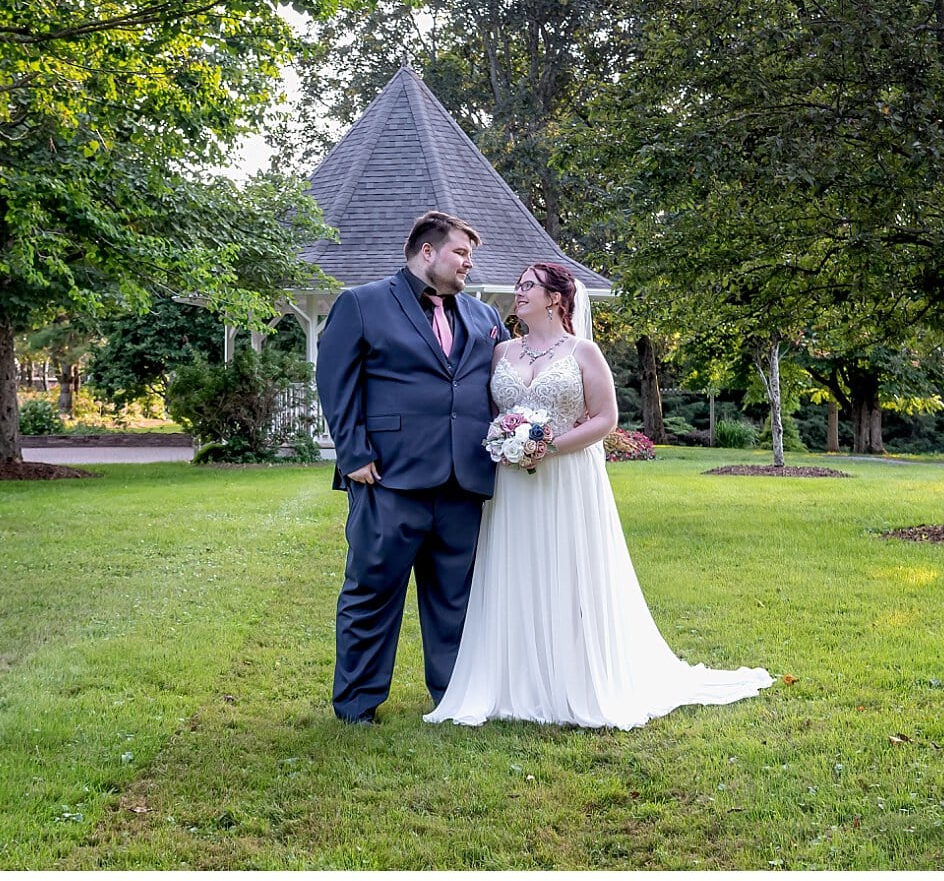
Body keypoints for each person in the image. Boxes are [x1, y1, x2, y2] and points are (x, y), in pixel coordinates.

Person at [425, 262, 773, 729]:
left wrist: (547, 448)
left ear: (555, 298)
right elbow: (493, 411)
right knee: (516, 569)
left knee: (569, 570)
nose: (518, 292)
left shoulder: (584, 352)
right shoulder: (502, 351)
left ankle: (574, 678)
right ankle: (515, 680)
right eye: (519, 286)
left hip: (567, 478)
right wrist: (509, 442)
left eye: (528, 286)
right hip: (511, 485)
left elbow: (605, 419)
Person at [315, 211, 507, 724]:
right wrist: (354, 455)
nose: (468, 263)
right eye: (460, 253)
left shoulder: (485, 318)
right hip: (388, 478)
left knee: (456, 597)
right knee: (372, 591)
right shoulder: (361, 304)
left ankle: (454, 697)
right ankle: (357, 705)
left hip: (465, 480)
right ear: (428, 252)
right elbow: (335, 384)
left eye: (470, 256)